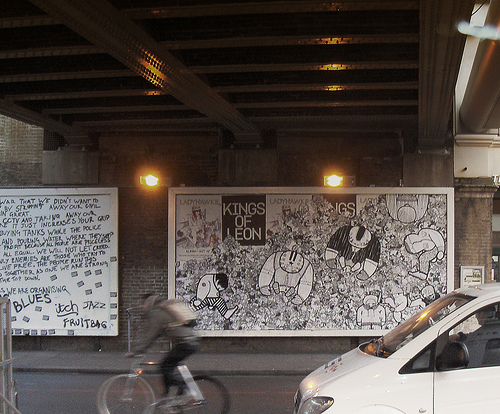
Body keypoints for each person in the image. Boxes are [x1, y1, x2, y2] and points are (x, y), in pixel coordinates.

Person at [127, 293, 199, 397]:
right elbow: (156, 335)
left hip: (185, 344)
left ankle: (184, 389)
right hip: (191, 342)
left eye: (143, 304)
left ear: (148, 302)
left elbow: (149, 335)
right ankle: (166, 396)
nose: (143, 307)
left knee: (164, 367)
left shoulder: (157, 313)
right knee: (168, 367)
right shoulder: (164, 309)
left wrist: (136, 351)